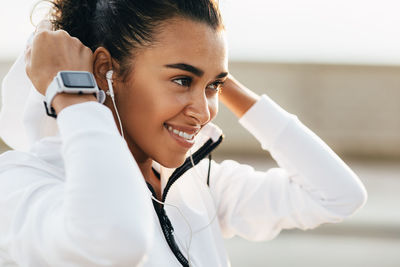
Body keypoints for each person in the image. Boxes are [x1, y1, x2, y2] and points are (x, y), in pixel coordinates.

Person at [0, 0, 367, 266]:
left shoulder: (195, 183)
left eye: (213, 88)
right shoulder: (22, 184)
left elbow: (338, 196)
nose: (205, 111)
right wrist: (75, 94)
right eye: (181, 79)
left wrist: (217, 76)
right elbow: (112, 239)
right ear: (103, 70)